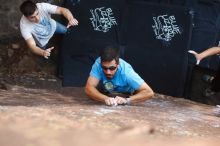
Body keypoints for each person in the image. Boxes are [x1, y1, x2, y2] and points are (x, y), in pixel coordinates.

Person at [85, 46, 154, 106]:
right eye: (104, 68)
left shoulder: (127, 72)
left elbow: (149, 92)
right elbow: (89, 88)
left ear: (118, 65)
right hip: (106, 92)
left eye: (112, 68)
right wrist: (105, 98)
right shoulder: (98, 64)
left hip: (126, 94)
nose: (108, 72)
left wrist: (127, 100)